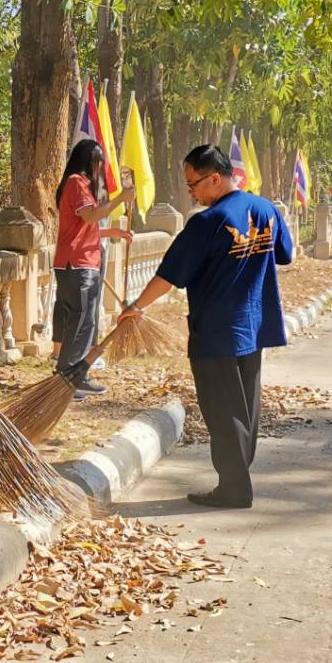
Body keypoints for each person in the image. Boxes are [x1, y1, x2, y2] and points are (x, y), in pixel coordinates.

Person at [117, 144, 293, 509]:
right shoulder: (266, 210)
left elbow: (169, 276)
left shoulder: (207, 221)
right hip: (255, 325)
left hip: (216, 330)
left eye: (193, 184)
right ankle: (237, 478)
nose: (190, 192)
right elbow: (285, 254)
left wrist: (136, 306)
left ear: (214, 178)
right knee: (245, 406)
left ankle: (234, 489)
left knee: (222, 409)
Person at [52, 140, 134, 397]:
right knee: (80, 322)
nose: (101, 169)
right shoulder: (76, 182)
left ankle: (79, 375)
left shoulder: (77, 185)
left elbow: (85, 227)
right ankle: (66, 377)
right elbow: (91, 216)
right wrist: (121, 198)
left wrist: (114, 232)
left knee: (84, 322)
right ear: (91, 161)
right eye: (100, 163)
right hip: (78, 264)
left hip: (79, 263)